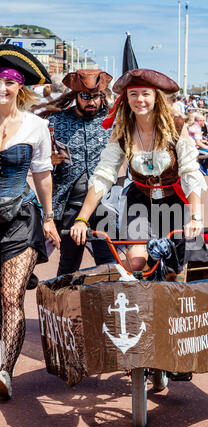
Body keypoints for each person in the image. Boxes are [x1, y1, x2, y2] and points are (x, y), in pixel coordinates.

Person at [70, 68, 208, 279]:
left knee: (178, 273)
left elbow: (190, 172)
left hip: (176, 203)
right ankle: (115, 288)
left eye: (145, 94)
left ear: (156, 98)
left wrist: (196, 217)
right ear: (126, 99)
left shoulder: (177, 127)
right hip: (139, 202)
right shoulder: (122, 131)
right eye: (133, 94)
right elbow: (104, 174)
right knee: (136, 263)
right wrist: (82, 219)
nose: (139, 99)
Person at [0, 44, 60, 399]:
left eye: (9, 81)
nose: (1, 87)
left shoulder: (36, 126)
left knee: (10, 297)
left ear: (19, 87)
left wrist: (49, 217)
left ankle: (4, 371)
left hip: (20, 218)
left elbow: (42, 174)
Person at [39, 69, 121, 276]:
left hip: (105, 201)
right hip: (69, 202)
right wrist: (51, 160)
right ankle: (62, 306)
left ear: (102, 97)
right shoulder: (56, 121)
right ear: (76, 96)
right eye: (85, 97)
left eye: (95, 97)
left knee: (109, 263)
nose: (90, 101)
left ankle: (108, 304)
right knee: (69, 263)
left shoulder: (113, 122)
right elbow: (41, 163)